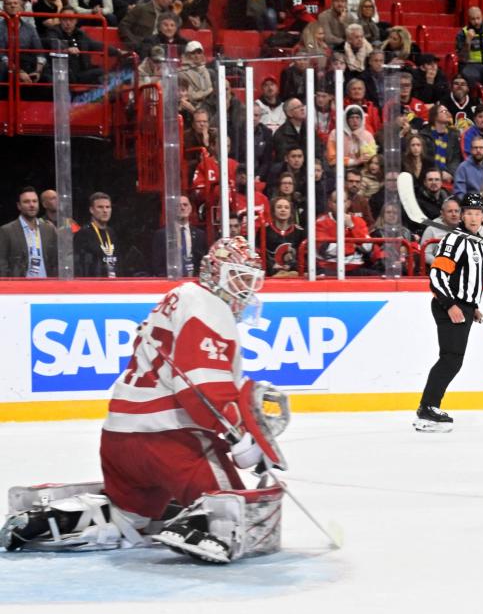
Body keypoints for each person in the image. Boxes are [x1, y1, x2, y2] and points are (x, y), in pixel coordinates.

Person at [1, 237, 286, 564]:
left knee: (130, 521)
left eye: (250, 281)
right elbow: (202, 388)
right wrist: (240, 436)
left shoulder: (178, 296)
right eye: (240, 278)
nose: (246, 290)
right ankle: (204, 524)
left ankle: (59, 518)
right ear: (217, 272)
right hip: (171, 443)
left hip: (119, 441)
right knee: (233, 508)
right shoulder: (212, 308)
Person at [416, 193, 483, 432]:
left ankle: (428, 408)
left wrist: (473, 306)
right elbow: (437, 275)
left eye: (478, 213)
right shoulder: (455, 240)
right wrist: (451, 305)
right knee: (450, 359)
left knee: (452, 359)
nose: (473, 217)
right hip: (450, 306)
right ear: (461, 215)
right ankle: (427, 409)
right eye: (468, 213)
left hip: (464, 306)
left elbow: (468, 278)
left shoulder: (477, 241)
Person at [0, 187, 58, 278]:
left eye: (35, 201)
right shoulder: (7, 231)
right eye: (26, 202)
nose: (32, 205)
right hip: (20, 287)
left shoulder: (49, 230)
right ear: (19, 206)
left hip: (47, 286)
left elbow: (55, 261)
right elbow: (2, 262)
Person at [152, 195, 206, 277]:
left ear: (190, 208)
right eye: (178, 205)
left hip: (193, 282)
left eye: (185, 205)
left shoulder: (200, 234)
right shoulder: (162, 234)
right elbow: (157, 263)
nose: (182, 208)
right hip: (170, 282)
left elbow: (203, 260)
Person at [74, 192, 120, 278]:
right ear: (91, 210)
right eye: (100, 207)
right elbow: (80, 266)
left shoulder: (111, 232)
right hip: (93, 284)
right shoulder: (83, 233)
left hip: (113, 282)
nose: (105, 211)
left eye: (108, 207)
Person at [261, 196, 306, 277]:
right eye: (279, 207)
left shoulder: (299, 232)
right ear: (273, 211)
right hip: (270, 275)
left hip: (295, 274)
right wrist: (272, 267)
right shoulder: (264, 231)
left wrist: (292, 266)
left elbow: (304, 256)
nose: (283, 210)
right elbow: (260, 253)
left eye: (286, 207)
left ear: (290, 212)